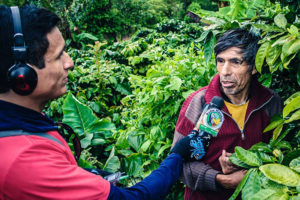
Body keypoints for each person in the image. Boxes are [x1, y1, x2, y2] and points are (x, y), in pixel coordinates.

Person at [0, 5, 208, 200]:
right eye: (58, 56)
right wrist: (177, 155)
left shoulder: (20, 122)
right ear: (22, 75)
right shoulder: (23, 160)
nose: (69, 62)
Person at [172, 28, 283, 200]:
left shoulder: (271, 102)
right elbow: (177, 164)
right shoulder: (198, 102)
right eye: (220, 61)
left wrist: (246, 161)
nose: (224, 71)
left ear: (253, 67)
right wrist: (219, 179)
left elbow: (279, 154)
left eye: (235, 62)